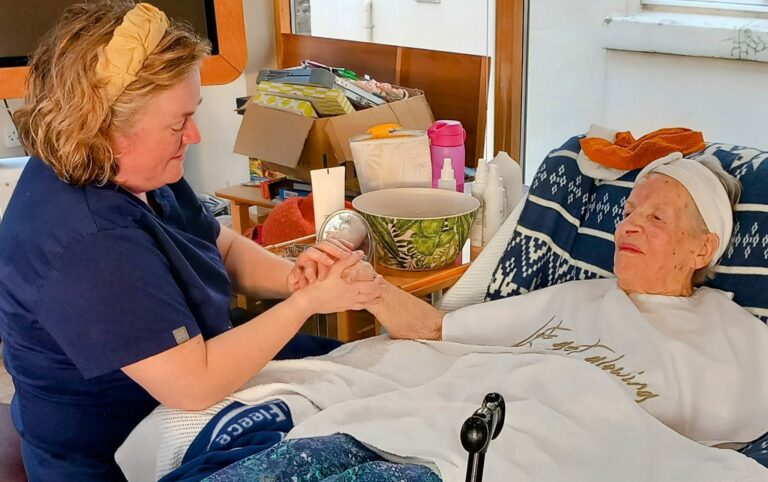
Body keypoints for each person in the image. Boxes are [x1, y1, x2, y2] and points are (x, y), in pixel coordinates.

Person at [0, 2, 382, 480]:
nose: (195, 135)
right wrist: (306, 303)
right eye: (179, 123)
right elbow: (194, 385)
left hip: (193, 380)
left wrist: (295, 275)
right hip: (116, 449)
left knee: (371, 373)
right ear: (103, 128)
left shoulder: (133, 170)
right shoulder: (87, 244)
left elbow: (218, 246)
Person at [368, 154, 768, 446]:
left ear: (703, 250)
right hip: (448, 432)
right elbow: (437, 328)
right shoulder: (575, 297)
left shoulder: (736, 335)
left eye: (656, 219)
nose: (628, 227)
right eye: (628, 213)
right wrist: (366, 285)